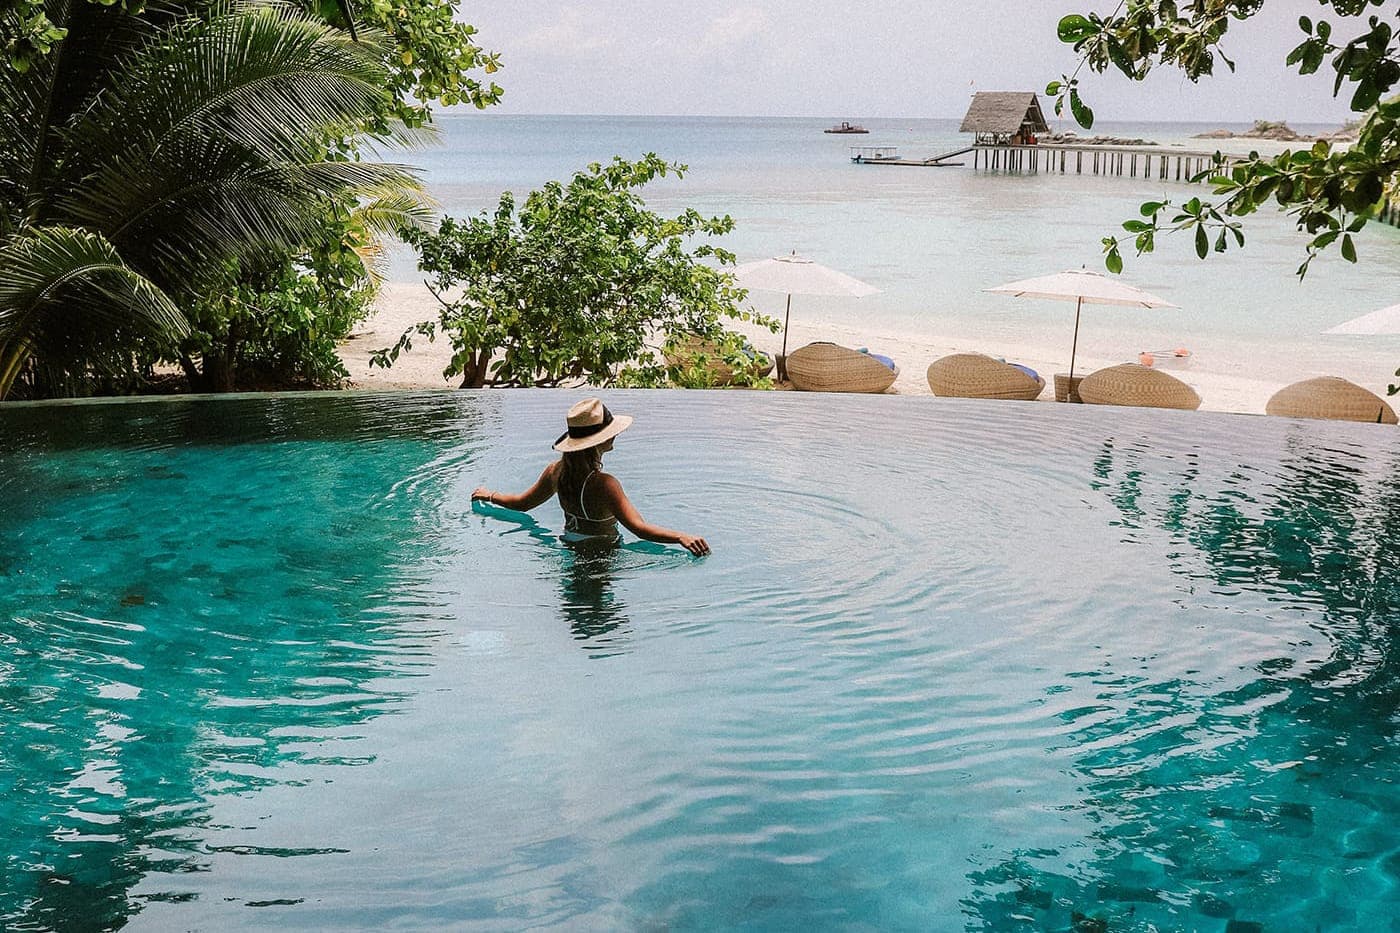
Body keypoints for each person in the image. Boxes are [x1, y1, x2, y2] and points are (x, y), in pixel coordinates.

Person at [471, 398, 711, 556]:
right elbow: (638, 528)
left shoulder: (556, 471)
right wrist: (681, 536)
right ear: (600, 440)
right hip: (602, 555)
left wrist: (490, 495)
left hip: (569, 548)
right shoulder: (605, 484)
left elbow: (522, 504)